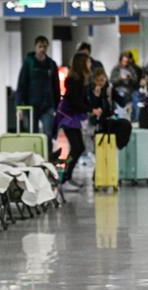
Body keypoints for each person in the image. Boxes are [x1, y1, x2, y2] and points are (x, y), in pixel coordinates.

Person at [55, 53, 101, 192]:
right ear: (82, 64)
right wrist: (90, 109)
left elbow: (82, 100)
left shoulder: (81, 80)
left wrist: (92, 105)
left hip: (72, 117)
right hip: (68, 117)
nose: (90, 65)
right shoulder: (75, 80)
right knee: (77, 147)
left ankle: (66, 177)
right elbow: (75, 102)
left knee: (78, 147)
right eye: (87, 62)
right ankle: (64, 179)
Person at [15, 36, 60, 141]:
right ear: (35, 47)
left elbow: (56, 87)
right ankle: (34, 156)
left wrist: (58, 107)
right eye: (40, 46)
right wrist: (19, 106)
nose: (42, 49)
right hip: (31, 106)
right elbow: (21, 86)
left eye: (44, 46)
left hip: (47, 106)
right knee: (32, 134)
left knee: (48, 133)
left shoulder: (51, 65)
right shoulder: (28, 63)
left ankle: (47, 156)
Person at [110, 52, 139, 120]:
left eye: (126, 61)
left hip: (128, 93)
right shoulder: (116, 69)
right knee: (118, 112)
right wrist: (119, 79)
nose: (125, 63)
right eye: (123, 61)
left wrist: (130, 78)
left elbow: (135, 80)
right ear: (120, 60)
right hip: (117, 93)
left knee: (127, 112)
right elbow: (112, 80)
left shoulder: (131, 69)